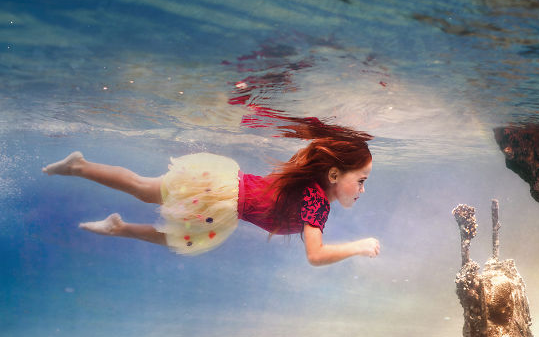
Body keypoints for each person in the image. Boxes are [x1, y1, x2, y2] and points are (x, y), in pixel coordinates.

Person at [42, 137, 380, 266]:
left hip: (224, 198)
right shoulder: (316, 204)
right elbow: (315, 255)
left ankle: (115, 223)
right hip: (221, 195)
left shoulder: (311, 189)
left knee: (176, 235)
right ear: (333, 174)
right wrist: (358, 246)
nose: (362, 190)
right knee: (147, 193)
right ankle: (80, 168)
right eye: (361, 181)